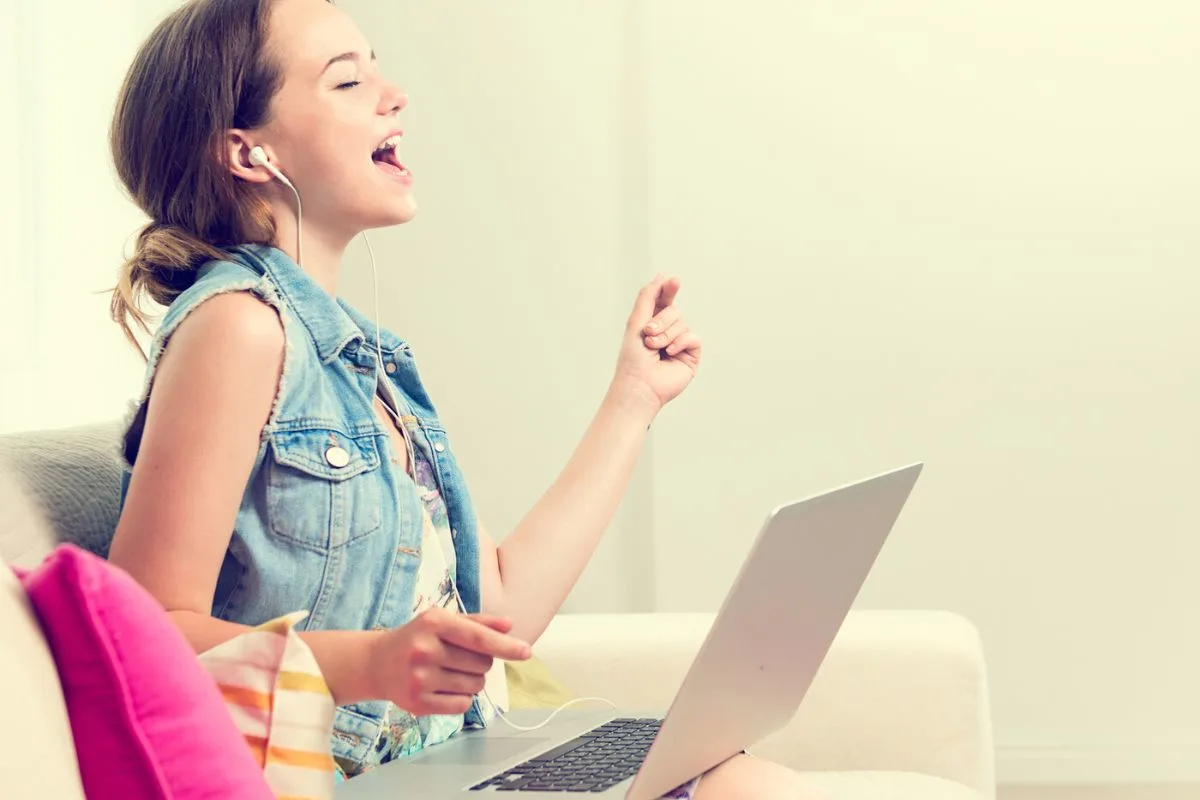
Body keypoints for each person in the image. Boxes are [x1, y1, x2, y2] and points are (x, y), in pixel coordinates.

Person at [105, 0, 822, 796]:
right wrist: (371, 664)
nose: (394, 94)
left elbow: (500, 609)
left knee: (750, 777)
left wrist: (632, 401)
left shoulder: (365, 366)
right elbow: (144, 638)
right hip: (339, 780)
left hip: (453, 766)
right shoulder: (238, 329)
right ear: (249, 152)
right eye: (348, 81)